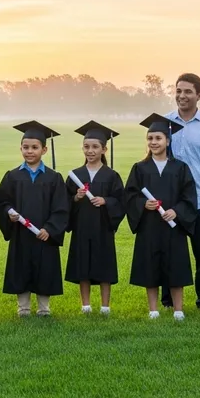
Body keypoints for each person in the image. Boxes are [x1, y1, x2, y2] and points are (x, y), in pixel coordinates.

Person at [125, 114, 198, 321]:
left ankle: (178, 309)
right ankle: (153, 309)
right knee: (150, 266)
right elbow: (130, 195)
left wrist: (177, 211)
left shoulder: (180, 167)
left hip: (172, 226)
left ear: (168, 140)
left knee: (176, 266)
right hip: (149, 225)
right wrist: (142, 203)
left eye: (158, 138)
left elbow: (189, 196)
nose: (153, 142)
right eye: (150, 138)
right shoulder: (140, 168)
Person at [162, 73, 200, 313]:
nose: (182, 96)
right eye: (178, 90)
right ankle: (168, 301)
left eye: (188, 91)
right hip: (172, 204)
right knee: (170, 254)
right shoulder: (164, 123)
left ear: (199, 95)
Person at [0, 121, 69, 317]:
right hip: (21, 234)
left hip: (44, 234)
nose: (29, 151)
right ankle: (23, 308)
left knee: (45, 268)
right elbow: (2, 202)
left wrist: (50, 229)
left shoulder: (54, 178)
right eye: (25, 147)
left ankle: (44, 309)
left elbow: (61, 208)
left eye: (34, 147)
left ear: (44, 149)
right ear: (20, 148)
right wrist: (8, 215)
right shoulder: (12, 176)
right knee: (21, 268)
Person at [65, 121, 125, 315]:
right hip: (82, 226)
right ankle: (86, 305)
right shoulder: (75, 175)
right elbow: (63, 202)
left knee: (104, 265)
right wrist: (76, 197)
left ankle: (105, 306)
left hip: (103, 227)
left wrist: (105, 200)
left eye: (95, 147)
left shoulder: (111, 175)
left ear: (104, 149)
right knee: (83, 265)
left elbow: (121, 200)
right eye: (86, 147)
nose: (90, 151)